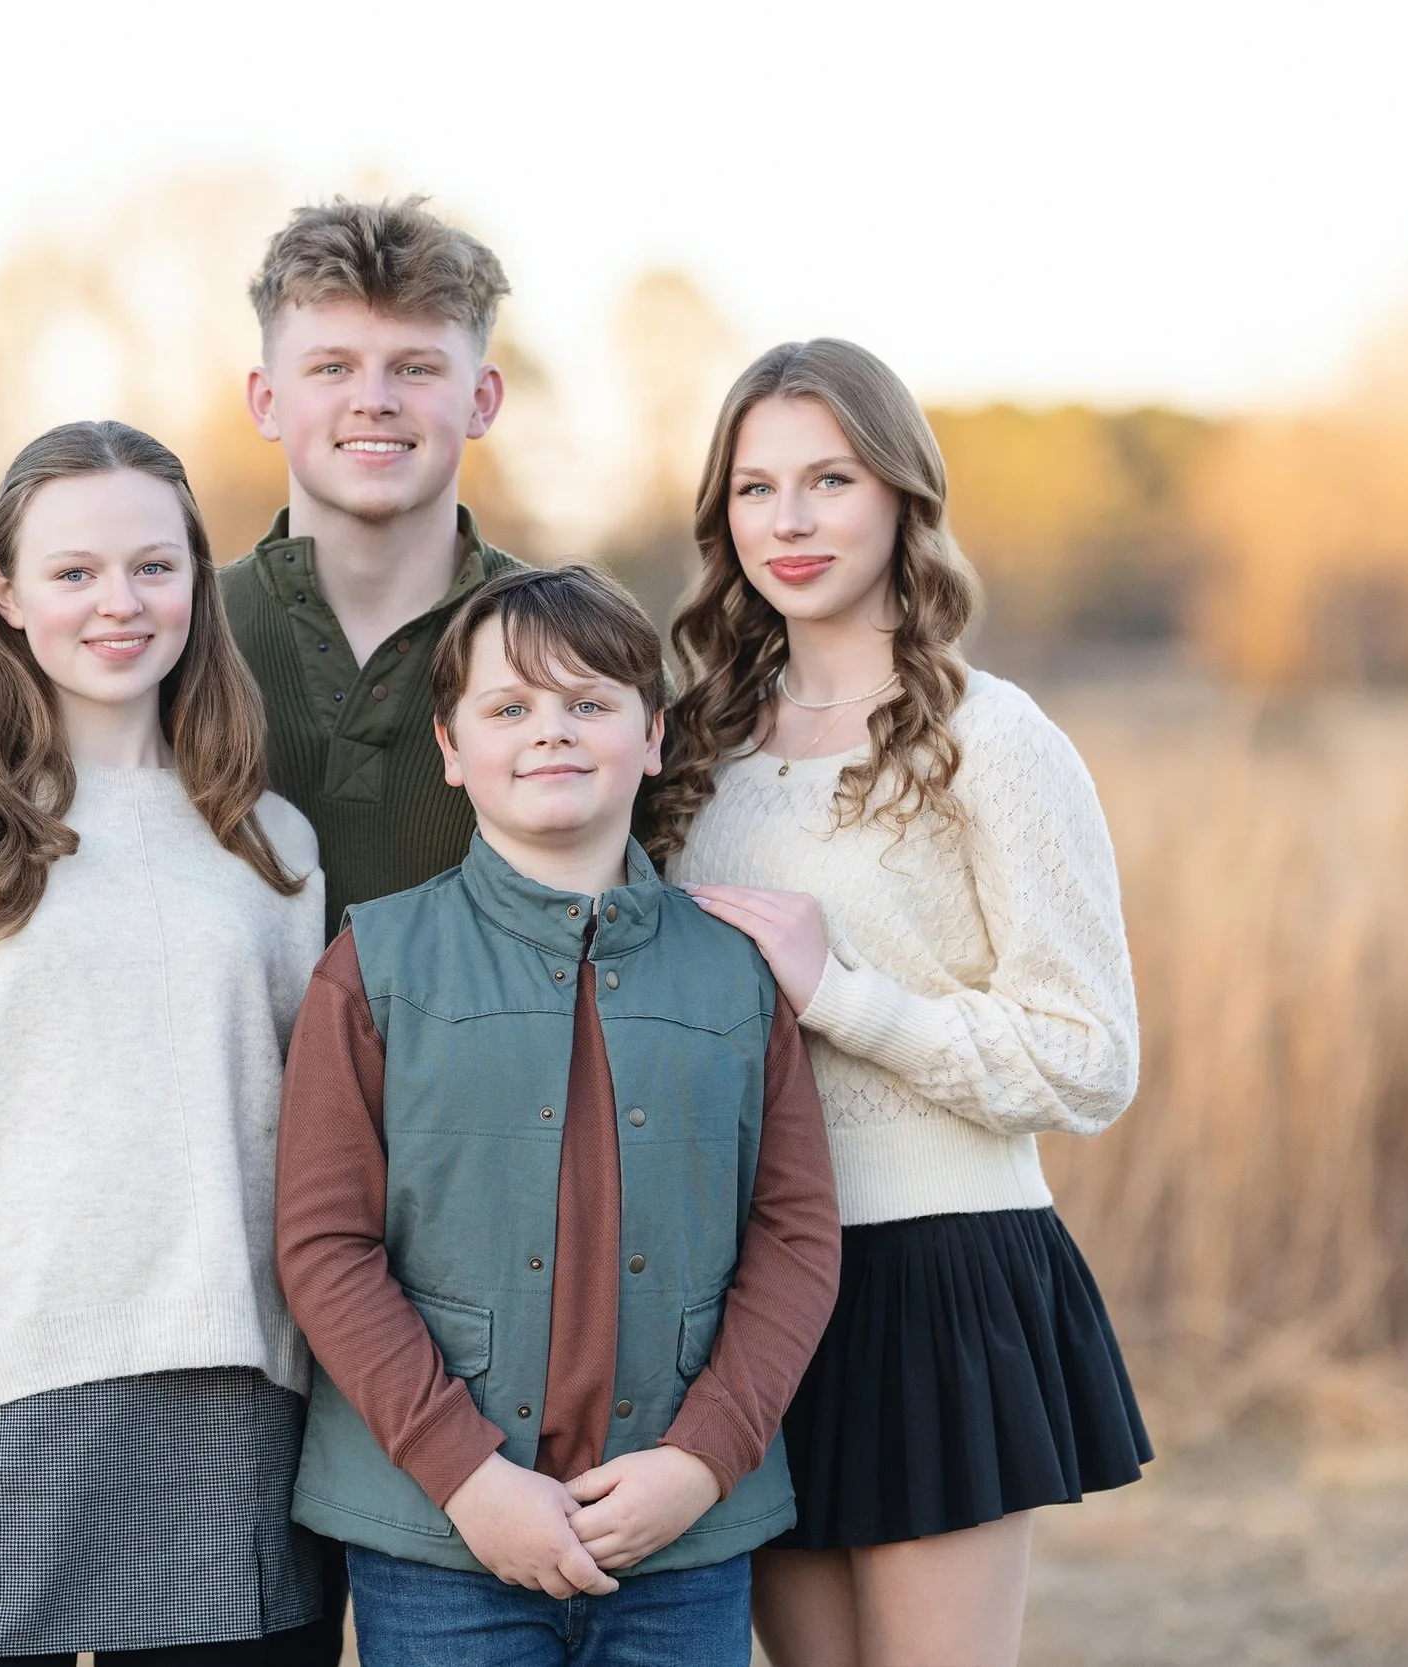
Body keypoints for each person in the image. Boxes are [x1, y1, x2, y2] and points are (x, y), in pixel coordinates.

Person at [643, 339, 1152, 1667]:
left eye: (831, 478)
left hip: (939, 1270)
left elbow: (1091, 1058)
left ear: (903, 494)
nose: (792, 521)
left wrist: (848, 996)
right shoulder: (690, 747)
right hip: (750, 1287)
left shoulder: (996, 738)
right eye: (756, 488)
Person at [0, 421, 342, 1665]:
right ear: (4, 592)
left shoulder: (274, 848)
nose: (120, 603)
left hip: (239, 1415)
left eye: (155, 566)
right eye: (75, 571)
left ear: (200, 585)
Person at [274, 564, 843, 1667]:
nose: (552, 732)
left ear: (653, 736)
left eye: (588, 703)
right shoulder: (374, 965)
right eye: (510, 707)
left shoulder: (735, 971)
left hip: (680, 1543)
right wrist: (468, 1476)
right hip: (445, 1546)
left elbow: (794, 1234)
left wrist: (701, 1460)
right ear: (449, 748)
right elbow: (323, 1245)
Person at [222, 195, 524, 928]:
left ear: (481, 401)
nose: (374, 400)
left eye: (416, 368)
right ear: (266, 401)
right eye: (331, 367)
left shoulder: (576, 646)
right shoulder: (177, 630)